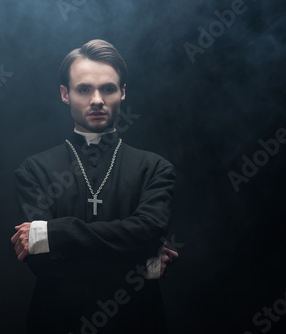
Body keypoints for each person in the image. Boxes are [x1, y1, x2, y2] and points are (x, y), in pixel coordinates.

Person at [11, 39, 177, 334]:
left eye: (108, 88)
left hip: (137, 323)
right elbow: (43, 266)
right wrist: (142, 266)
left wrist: (54, 233)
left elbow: (149, 231)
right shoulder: (34, 170)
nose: (97, 99)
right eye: (84, 89)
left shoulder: (155, 168)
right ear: (65, 94)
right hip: (57, 323)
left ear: (123, 92)